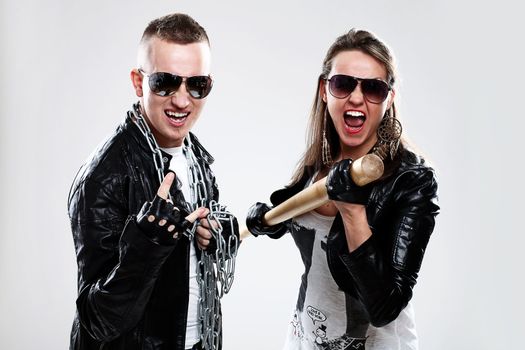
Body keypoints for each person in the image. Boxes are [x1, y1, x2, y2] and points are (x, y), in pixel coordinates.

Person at [246, 29, 439, 349]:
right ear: (325, 90)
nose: (356, 97)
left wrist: (352, 212)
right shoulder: (319, 162)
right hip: (305, 340)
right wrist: (266, 220)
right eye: (343, 83)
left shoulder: (412, 180)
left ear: (389, 98)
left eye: (374, 88)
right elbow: (297, 213)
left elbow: (386, 307)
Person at [68, 13, 238, 350]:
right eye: (165, 82)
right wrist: (146, 245)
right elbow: (98, 321)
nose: (182, 99)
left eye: (197, 84)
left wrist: (221, 234)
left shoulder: (196, 158)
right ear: (138, 82)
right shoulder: (104, 176)